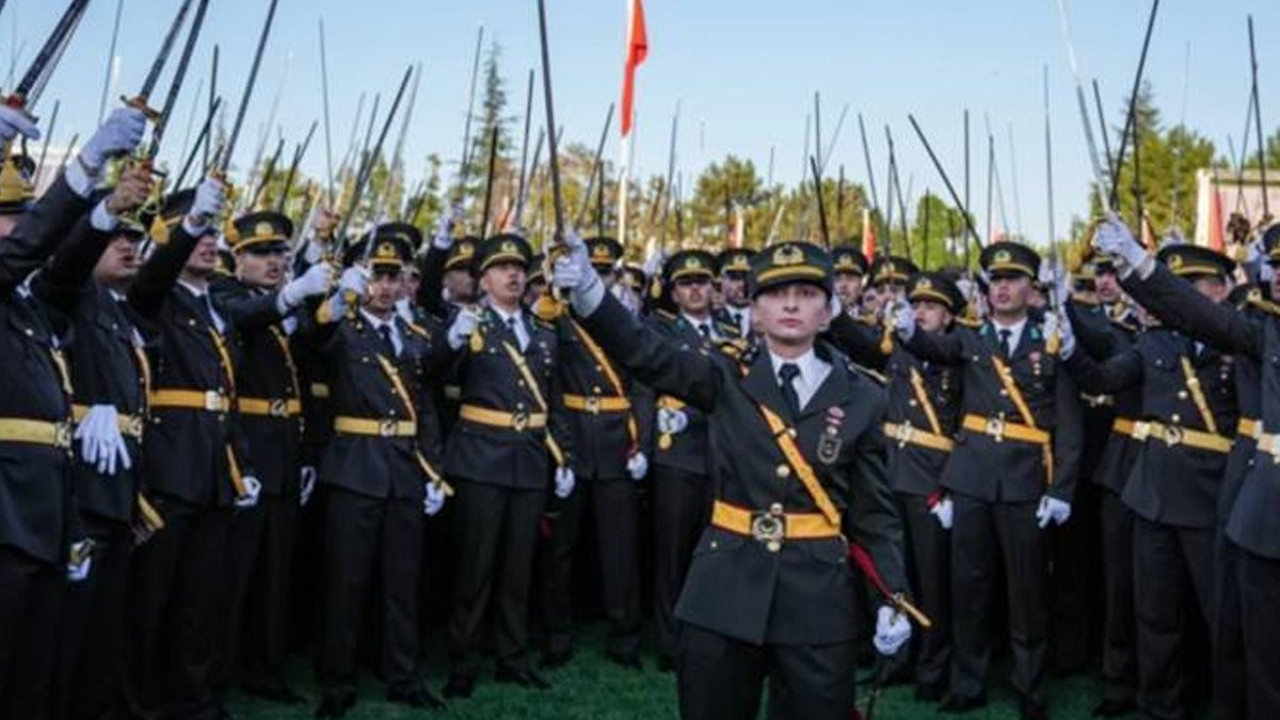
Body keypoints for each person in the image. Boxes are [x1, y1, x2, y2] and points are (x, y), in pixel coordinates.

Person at [553, 236, 912, 720]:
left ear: (828, 313)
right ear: (754, 312)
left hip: (817, 598)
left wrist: (894, 594)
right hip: (723, 590)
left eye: (807, 294)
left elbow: (875, 514)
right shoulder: (725, 375)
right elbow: (646, 352)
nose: (790, 303)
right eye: (774, 293)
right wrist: (592, 294)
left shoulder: (863, 397)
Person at [1094, 218, 1280, 719]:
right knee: (1248, 649)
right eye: (1276, 266)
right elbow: (1200, 315)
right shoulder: (1263, 332)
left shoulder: (1261, 326)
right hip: (1255, 511)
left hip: (1226, 492)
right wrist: (1139, 264)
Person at [892, 241, 1083, 720]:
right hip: (972, 478)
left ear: (1030, 287)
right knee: (969, 589)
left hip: (1024, 482)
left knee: (1026, 594)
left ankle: (1030, 688)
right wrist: (907, 329)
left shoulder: (1052, 339)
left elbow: (1069, 424)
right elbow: (934, 345)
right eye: (994, 280)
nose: (1002, 287)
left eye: (1012, 279)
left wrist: (1061, 489)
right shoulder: (972, 338)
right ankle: (968, 682)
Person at [0, 105, 147, 718]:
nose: (21, 232)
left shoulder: (28, 307)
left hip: (43, 512)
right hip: (5, 510)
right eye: (9, 221)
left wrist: (107, 210)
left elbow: (58, 270)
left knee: (33, 676)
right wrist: (85, 165)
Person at [1061, 243, 1239, 720]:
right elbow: (1102, 379)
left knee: (1222, 618)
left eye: (1188, 289)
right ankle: (1159, 707)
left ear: (1220, 291)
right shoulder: (1156, 342)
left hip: (1212, 497)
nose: (1172, 300)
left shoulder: (1240, 343)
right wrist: (1071, 348)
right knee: (1153, 614)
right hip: (1153, 494)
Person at [123, 173, 264, 719]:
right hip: (169, 465)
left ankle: (194, 698)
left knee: (201, 599)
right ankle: (141, 702)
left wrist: (241, 463)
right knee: (152, 597)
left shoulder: (216, 306)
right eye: (196, 232)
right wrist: (187, 228)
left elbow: (226, 394)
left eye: (212, 234)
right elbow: (152, 274)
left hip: (213, 466)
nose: (209, 242)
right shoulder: (155, 293)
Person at [311, 224, 450, 717]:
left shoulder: (414, 337)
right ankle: (338, 681)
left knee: (402, 581)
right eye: (378, 275)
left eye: (395, 277)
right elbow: (314, 340)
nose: (387, 286)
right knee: (346, 582)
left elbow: (425, 408)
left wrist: (433, 470)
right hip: (355, 467)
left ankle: (403, 675)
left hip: (404, 469)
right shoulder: (341, 328)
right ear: (360, 278)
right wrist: (330, 293)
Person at [438, 233, 574, 698]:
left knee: (519, 568)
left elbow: (554, 401)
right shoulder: (469, 326)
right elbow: (434, 375)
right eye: (501, 268)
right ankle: (463, 659)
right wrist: (453, 340)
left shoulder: (542, 330)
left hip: (531, 459)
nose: (514, 275)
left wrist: (564, 455)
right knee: (476, 568)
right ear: (484, 279)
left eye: (519, 268)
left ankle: (512, 657)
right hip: (481, 457)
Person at [210, 210, 334, 704]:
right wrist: (293, 294)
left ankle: (265, 668)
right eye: (261, 254)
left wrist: (328, 305)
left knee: (274, 574)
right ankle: (217, 674)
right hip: (247, 448)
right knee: (233, 575)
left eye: (280, 253)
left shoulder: (287, 306)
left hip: (285, 448)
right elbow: (245, 318)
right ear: (237, 259)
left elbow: (310, 368)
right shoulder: (226, 296)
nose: (274, 261)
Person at [55, 168, 158, 720]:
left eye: (135, 237)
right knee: (70, 628)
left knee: (105, 624)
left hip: (119, 486)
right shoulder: (71, 295)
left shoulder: (119, 311)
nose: (129, 244)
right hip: (78, 487)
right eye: (117, 234)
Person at [539, 235, 648, 669]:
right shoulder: (557, 317)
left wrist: (640, 442)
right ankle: (557, 636)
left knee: (621, 550)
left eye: (605, 272)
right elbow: (548, 385)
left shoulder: (622, 319)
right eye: (593, 270)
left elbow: (642, 383)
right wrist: (560, 450)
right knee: (560, 549)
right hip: (573, 440)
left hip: (617, 442)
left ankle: (626, 638)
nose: (598, 278)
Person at [644, 249, 743, 671]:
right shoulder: (662, 330)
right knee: (670, 554)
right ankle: (669, 643)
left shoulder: (731, 328)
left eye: (703, 281)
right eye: (686, 283)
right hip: (678, 451)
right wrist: (645, 444)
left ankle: (710, 637)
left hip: (720, 452)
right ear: (673, 292)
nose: (696, 289)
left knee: (715, 554)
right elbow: (644, 387)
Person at [878, 271, 965, 701]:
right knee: (898, 576)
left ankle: (933, 668)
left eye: (931, 306)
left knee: (934, 581)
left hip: (932, 480)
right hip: (893, 471)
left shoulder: (960, 357)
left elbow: (968, 428)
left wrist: (949, 486)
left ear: (948, 317)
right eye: (917, 305)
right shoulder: (898, 348)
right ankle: (899, 658)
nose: (922, 312)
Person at [716, 247, 757, 337]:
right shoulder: (709, 318)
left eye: (748, 278)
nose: (742, 284)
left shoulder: (766, 318)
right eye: (735, 278)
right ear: (721, 281)